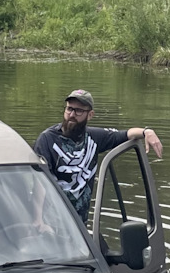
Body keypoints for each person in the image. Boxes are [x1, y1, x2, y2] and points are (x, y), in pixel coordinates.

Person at [33, 89, 163, 222]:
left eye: (78, 111)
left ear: (90, 115)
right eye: (69, 109)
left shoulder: (94, 138)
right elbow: (39, 182)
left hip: (79, 226)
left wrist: (147, 132)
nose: (72, 114)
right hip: (49, 221)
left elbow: (124, 135)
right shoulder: (47, 140)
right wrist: (38, 220)